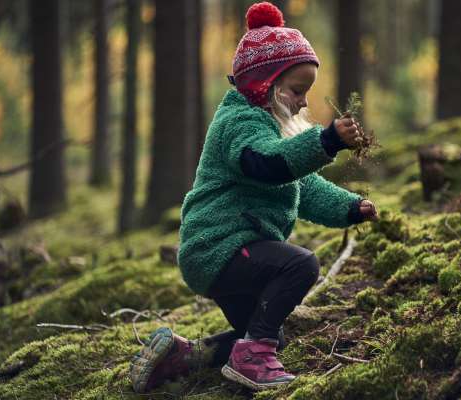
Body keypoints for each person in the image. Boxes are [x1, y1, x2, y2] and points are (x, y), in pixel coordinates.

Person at [129, 1, 378, 393]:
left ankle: (185, 356)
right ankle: (251, 358)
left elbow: (302, 185)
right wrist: (327, 139)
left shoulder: (273, 129)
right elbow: (268, 165)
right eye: (297, 91)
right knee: (299, 265)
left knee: (266, 336)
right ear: (266, 84)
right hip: (220, 244)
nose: (304, 102)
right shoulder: (241, 123)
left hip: (228, 252)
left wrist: (348, 207)